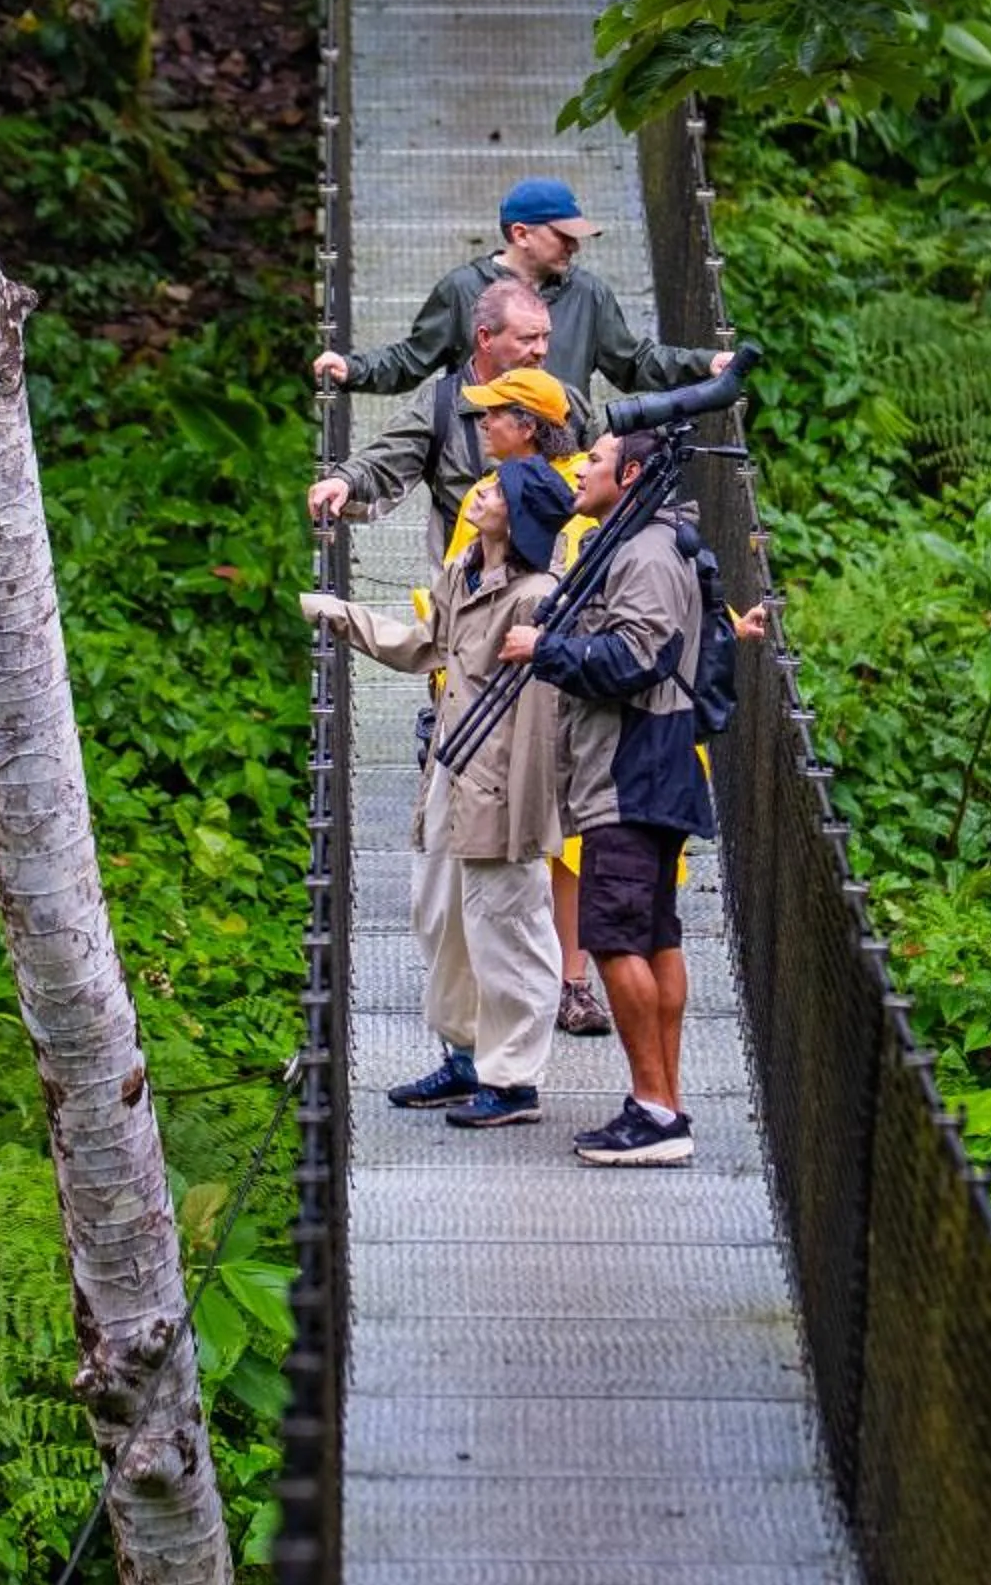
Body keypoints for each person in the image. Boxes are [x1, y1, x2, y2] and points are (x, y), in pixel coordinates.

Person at [306, 458, 580, 1129]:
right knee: (443, 922)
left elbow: (546, 720)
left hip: (502, 791)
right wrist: (337, 616)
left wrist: (529, 816)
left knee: (509, 930)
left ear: (517, 516)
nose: (480, 492)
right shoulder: (464, 573)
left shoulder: (537, 597)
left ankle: (513, 1080)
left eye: (495, 490)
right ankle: (464, 1056)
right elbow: (427, 647)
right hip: (449, 772)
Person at [501, 429, 716, 1167]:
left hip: (632, 768)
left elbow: (637, 655)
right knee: (655, 936)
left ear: (628, 474)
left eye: (593, 460)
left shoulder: (646, 553)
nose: (581, 469)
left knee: (617, 937)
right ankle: (665, 1103)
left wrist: (545, 650)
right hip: (651, 766)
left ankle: (655, 1111)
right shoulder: (641, 543)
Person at [433, 367, 614, 1040]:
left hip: (545, 693)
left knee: (550, 851)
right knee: (548, 850)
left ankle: (532, 1018)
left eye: (494, 415)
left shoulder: (544, 489)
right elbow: (463, 587)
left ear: (527, 427)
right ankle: (557, 989)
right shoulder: (535, 488)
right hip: (536, 691)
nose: (482, 425)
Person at [311, 178, 735, 404]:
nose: (574, 245)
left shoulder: (588, 294)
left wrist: (705, 363)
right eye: (563, 235)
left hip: (561, 469)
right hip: (476, 469)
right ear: (521, 233)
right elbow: (411, 359)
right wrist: (352, 370)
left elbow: (634, 363)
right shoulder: (463, 291)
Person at [305, 277, 559, 557]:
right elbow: (388, 459)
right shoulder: (439, 407)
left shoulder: (565, 402)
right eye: (527, 339)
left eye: (545, 337)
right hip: (471, 588)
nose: (541, 350)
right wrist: (344, 481)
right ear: (485, 338)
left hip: (555, 584)